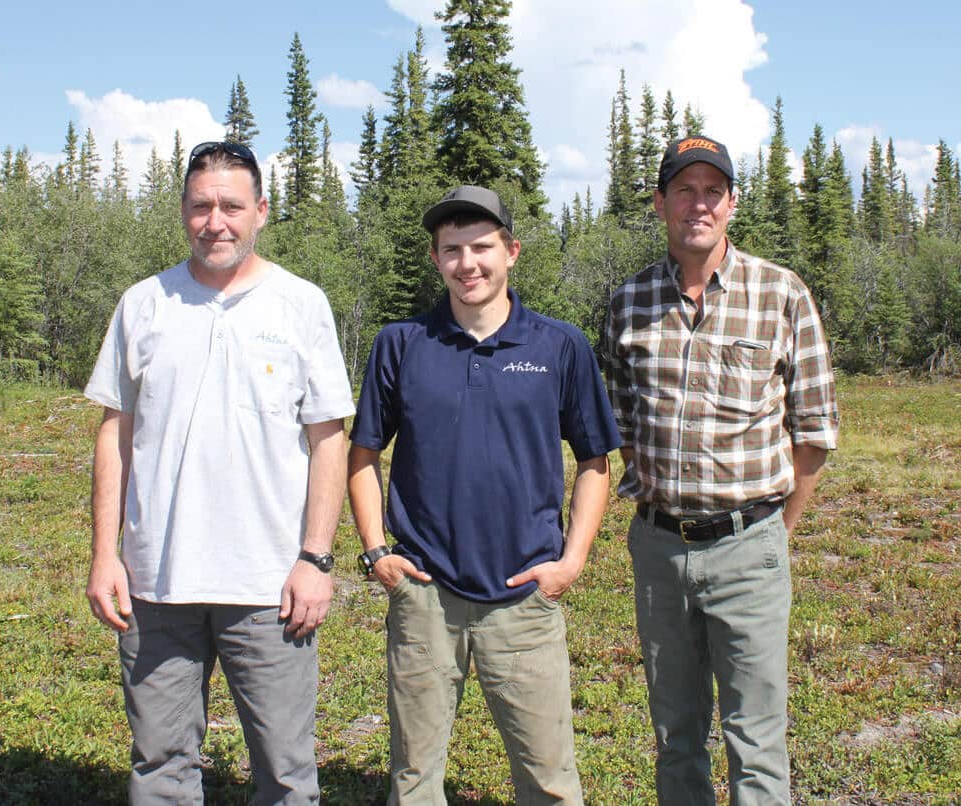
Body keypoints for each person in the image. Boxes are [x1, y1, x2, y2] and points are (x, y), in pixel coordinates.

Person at [84, 141, 355, 804]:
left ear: (261, 211)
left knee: (287, 773)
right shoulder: (143, 304)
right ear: (183, 211)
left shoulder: (300, 304)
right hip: (156, 583)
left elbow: (329, 440)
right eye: (201, 206)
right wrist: (104, 555)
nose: (216, 222)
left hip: (270, 586)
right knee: (159, 764)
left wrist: (315, 560)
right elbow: (115, 434)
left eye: (232, 206)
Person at [348, 185, 621, 805]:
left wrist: (570, 562)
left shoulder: (559, 346)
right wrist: (376, 552)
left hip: (523, 597)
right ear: (436, 259)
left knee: (550, 782)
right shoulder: (401, 343)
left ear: (512, 251)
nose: (467, 263)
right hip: (423, 596)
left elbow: (595, 461)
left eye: (481, 247)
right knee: (413, 782)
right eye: (451, 250)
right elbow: (362, 455)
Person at [602, 136, 839, 805]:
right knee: (675, 733)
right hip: (658, 550)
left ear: (732, 203)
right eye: (684, 190)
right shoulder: (629, 303)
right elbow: (624, 424)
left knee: (756, 739)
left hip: (751, 547)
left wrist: (772, 530)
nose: (697, 204)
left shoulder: (781, 294)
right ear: (661, 204)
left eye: (712, 191)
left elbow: (815, 432)